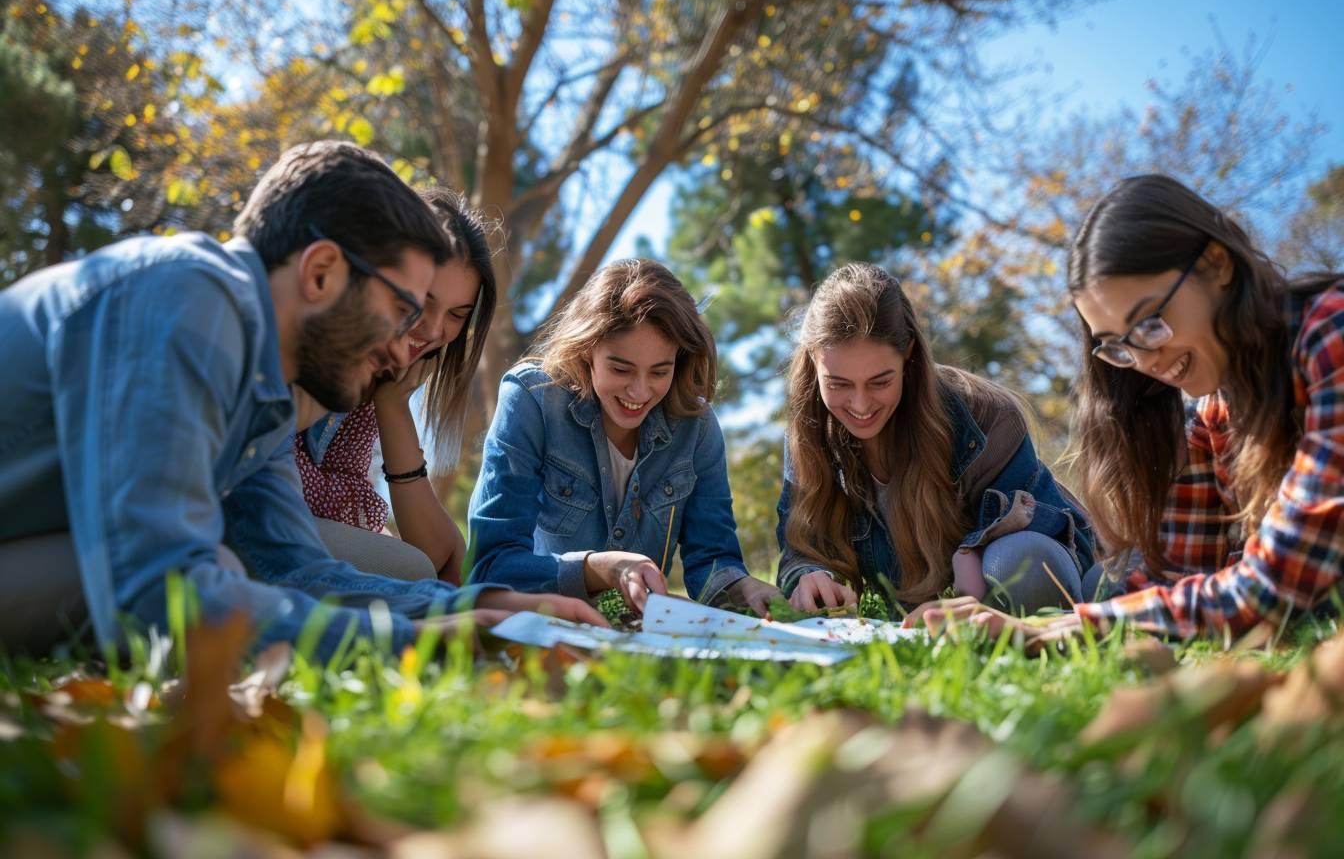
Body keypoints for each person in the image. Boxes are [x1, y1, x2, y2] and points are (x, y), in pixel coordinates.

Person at [0, 140, 604, 658]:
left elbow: (296, 566)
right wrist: (431, 642)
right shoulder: (188, 301)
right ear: (321, 273)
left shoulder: (261, 391)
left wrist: (484, 605)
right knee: (214, 575)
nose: (402, 352)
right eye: (401, 311)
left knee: (240, 569)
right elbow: (156, 590)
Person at [911, 173, 1344, 644]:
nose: (1144, 362)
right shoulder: (1211, 413)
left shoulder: (1330, 334)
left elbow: (1278, 583)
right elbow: (1175, 580)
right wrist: (1036, 628)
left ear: (1217, 264)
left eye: (1150, 324)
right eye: (1117, 346)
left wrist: (1067, 631)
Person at [467, 258, 781, 615]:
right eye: (620, 368)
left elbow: (711, 557)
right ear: (587, 350)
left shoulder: (697, 427)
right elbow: (489, 565)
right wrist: (597, 569)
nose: (640, 391)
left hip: (641, 635)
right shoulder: (532, 400)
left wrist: (742, 588)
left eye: (660, 371)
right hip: (542, 626)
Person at [777, 263, 1096, 614]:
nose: (861, 404)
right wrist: (810, 575)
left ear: (909, 353)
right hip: (922, 619)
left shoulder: (985, 416)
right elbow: (799, 543)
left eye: (880, 382)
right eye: (838, 384)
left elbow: (1044, 526)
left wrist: (972, 556)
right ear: (812, 360)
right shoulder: (810, 431)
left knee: (1014, 562)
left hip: (1048, 572)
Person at [295, 187, 495, 584]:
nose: (435, 330)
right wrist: (357, 518)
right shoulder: (307, 334)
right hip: (224, 522)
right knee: (411, 571)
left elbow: (446, 557)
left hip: (286, 530)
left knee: (442, 574)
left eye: (457, 314)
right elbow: (277, 478)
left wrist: (391, 402)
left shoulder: (379, 379)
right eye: (424, 301)